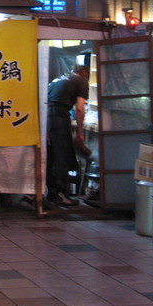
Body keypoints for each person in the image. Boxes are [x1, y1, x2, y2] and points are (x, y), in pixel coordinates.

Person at [46, 64, 90, 207]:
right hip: (59, 116)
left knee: (51, 155)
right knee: (62, 154)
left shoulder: (59, 79)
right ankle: (61, 194)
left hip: (46, 117)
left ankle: (52, 193)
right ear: (85, 73)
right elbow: (80, 109)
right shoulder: (81, 81)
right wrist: (80, 134)